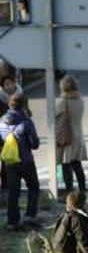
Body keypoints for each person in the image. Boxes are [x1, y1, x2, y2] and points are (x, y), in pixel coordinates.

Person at [0, 92, 40, 229]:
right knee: (33, 186)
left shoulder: (1, 122)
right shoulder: (27, 122)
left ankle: (12, 222)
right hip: (26, 161)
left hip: (9, 162)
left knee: (13, 191)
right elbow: (35, 143)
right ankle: (30, 216)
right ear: (23, 104)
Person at [56, 75, 88, 193]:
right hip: (78, 136)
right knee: (77, 165)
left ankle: (69, 192)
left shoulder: (62, 102)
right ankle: (83, 190)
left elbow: (55, 119)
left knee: (66, 166)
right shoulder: (80, 100)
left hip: (66, 138)